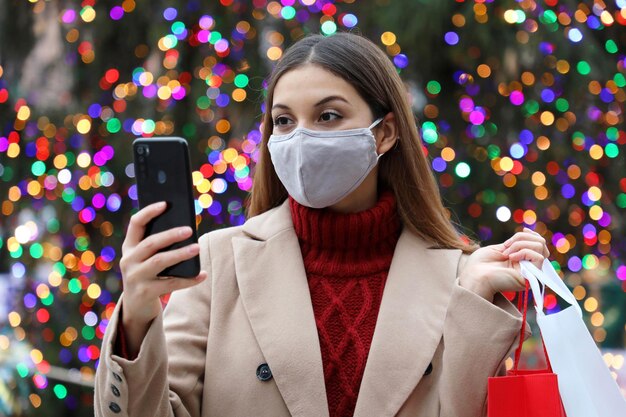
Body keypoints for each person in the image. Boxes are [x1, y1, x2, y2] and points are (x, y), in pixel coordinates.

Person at [94, 32, 549, 417]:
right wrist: (135, 317)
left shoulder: (459, 275)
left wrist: (473, 302)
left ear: (385, 133)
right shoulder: (219, 261)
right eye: (284, 121)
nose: (301, 138)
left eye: (328, 116)